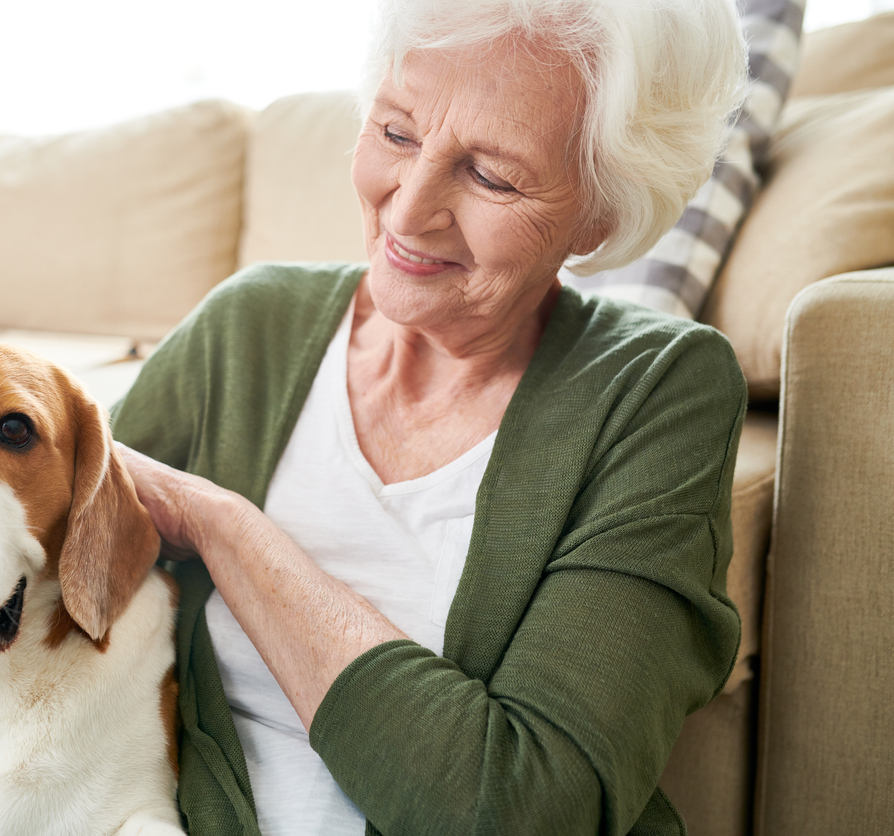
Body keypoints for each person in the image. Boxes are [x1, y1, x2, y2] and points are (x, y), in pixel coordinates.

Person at [112, 0, 750, 833]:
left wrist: (227, 528)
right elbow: (38, 557)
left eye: (491, 175)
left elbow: (526, 809)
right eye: (397, 134)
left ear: (601, 211)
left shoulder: (657, 391)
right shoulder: (250, 325)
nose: (408, 210)